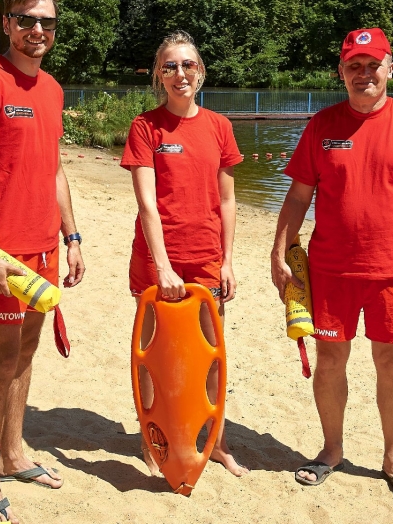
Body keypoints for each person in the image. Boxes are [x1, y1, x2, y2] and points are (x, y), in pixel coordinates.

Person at [269, 28, 393, 503]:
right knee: (331, 360)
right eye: (354, 65)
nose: (364, 73)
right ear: (341, 71)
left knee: (392, 364)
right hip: (331, 271)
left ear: (390, 68)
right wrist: (279, 252)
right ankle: (331, 450)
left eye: (373, 64)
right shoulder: (322, 125)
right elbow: (298, 196)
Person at [0, 0, 86, 524]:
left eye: (46, 21)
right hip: (2, 251)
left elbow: (54, 170)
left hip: (45, 246)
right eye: (26, 19)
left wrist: (72, 238)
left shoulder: (51, 89)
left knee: (27, 353)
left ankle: (13, 454)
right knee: (1, 361)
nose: (37, 30)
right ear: (6, 23)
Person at [120, 31, 248, 478]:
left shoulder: (219, 127)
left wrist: (228, 261)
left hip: (207, 256)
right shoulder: (145, 127)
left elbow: (227, 200)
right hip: (157, 259)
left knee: (211, 354)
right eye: (170, 66)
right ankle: (151, 439)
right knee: (154, 355)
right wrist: (163, 266)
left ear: (201, 71)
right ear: (159, 75)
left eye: (188, 64)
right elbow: (147, 204)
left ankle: (216, 442)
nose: (180, 74)